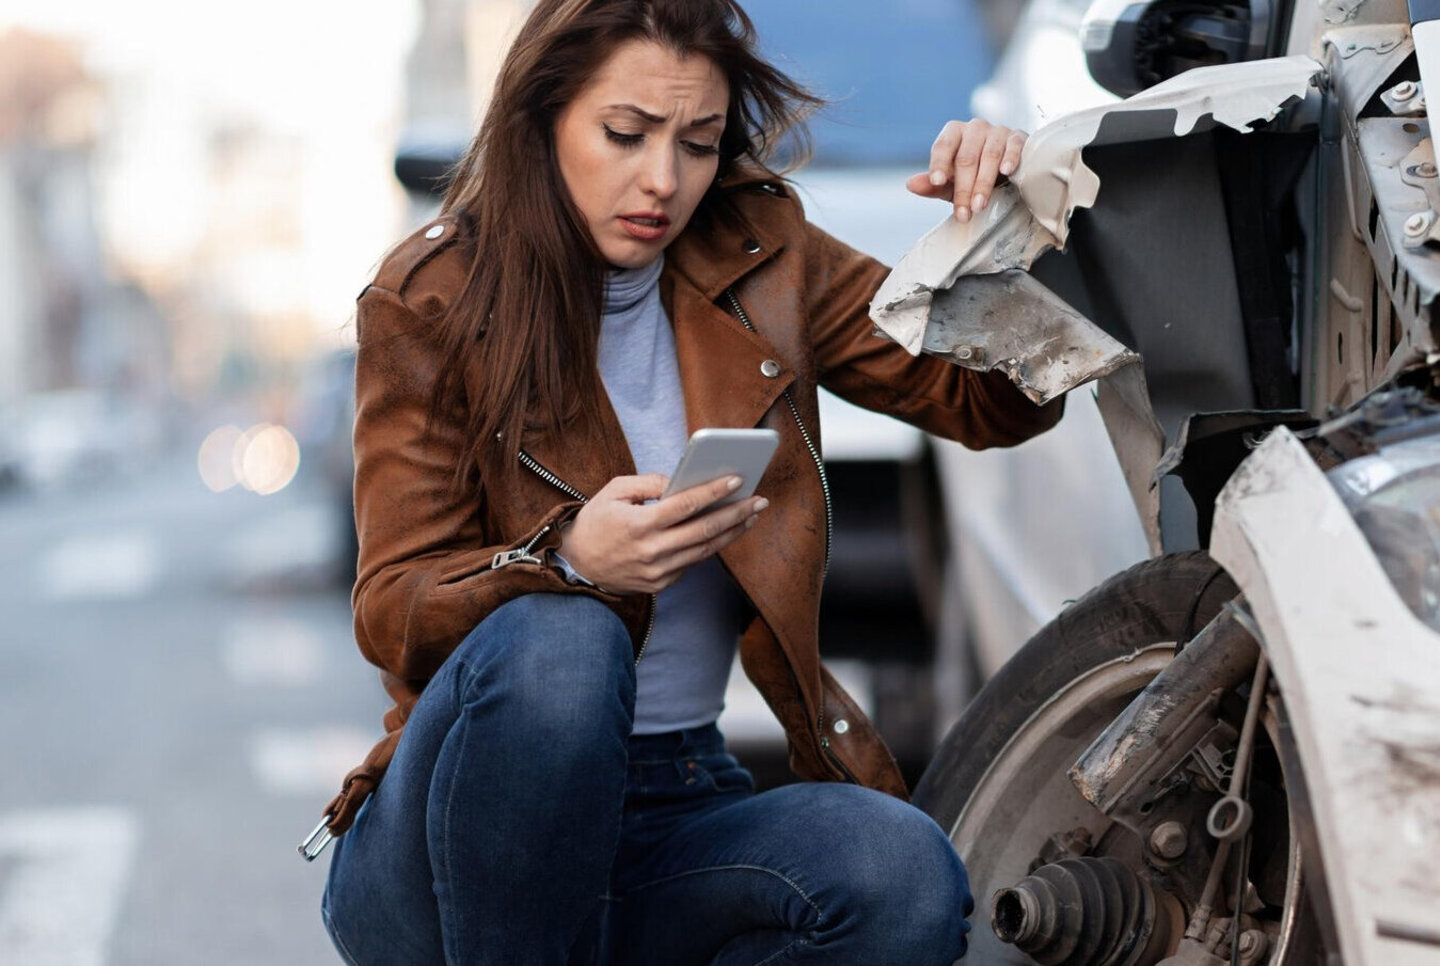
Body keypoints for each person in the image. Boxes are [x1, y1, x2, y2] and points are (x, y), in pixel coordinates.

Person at [315, 0, 1064, 962]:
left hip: (676, 801)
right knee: (565, 643)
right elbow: (391, 607)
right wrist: (570, 560)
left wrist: (1001, 224)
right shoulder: (431, 297)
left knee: (900, 877)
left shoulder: (762, 256)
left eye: (699, 143)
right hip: (455, 835)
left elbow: (992, 405)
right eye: (624, 134)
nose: (662, 180)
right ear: (541, 122)